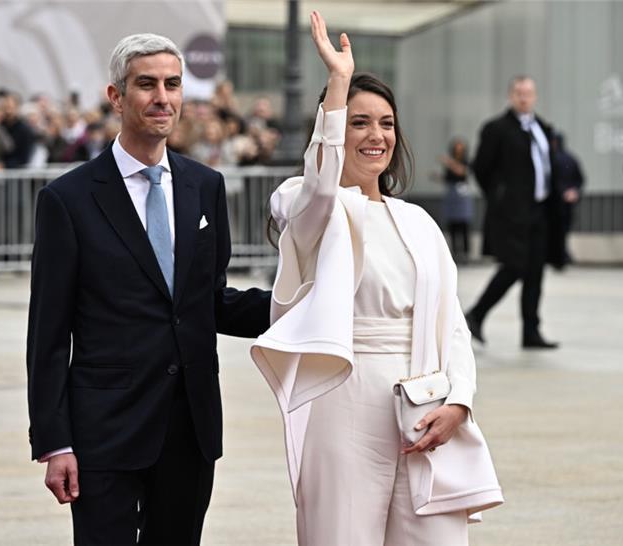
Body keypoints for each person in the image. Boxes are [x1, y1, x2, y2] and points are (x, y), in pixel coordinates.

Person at [251, 12, 502, 546]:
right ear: (335, 125)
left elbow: (452, 324)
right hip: (342, 400)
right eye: (360, 122)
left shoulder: (419, 221)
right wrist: (338, 82)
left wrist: (459, 401)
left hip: (424, 405)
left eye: (386, 123)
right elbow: (321, 186)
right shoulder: (303, 201)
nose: (375, 135)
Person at [26, 33, 270, 546]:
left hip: (190, 426)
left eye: (172, 84)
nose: (162, 97)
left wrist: (303, 305)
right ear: (116, 96)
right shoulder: (67, 200)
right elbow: (47, 335)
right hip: (104, 432)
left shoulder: (205, 185)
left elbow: (209, 301)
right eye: (147, 84)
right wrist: (54, 442)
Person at [465, 75, 564, 350]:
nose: (524, 98)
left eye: (529, 93)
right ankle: (476, 314)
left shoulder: (542, 128)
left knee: (535, 273)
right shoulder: (497, 129)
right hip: (512, 214)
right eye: (519, 93)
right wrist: (500, 197)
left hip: (540, 211)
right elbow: (481, 168)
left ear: (535, 96)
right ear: (511, 96)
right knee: (514, 266)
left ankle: (531, 332)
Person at [550, 132, 585, 264]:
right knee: (564, 229)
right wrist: (573, 192)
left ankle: (560, 253)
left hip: (556, 201)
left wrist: (563, 192)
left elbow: (552, 181)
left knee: (556, 229)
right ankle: (562, 253)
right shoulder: (571, 158)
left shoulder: (551, 159)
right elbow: (580, 179)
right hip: (568, 200)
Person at [438, 137, 473, 262]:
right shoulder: (451, 162)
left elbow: (462, 172)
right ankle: (455, 252)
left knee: (463, 224)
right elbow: (448, 178)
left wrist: (449, 162)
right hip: (451, 193)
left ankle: (465, 253)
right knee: (452, 223)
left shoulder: (464, 161)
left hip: (462, 194)